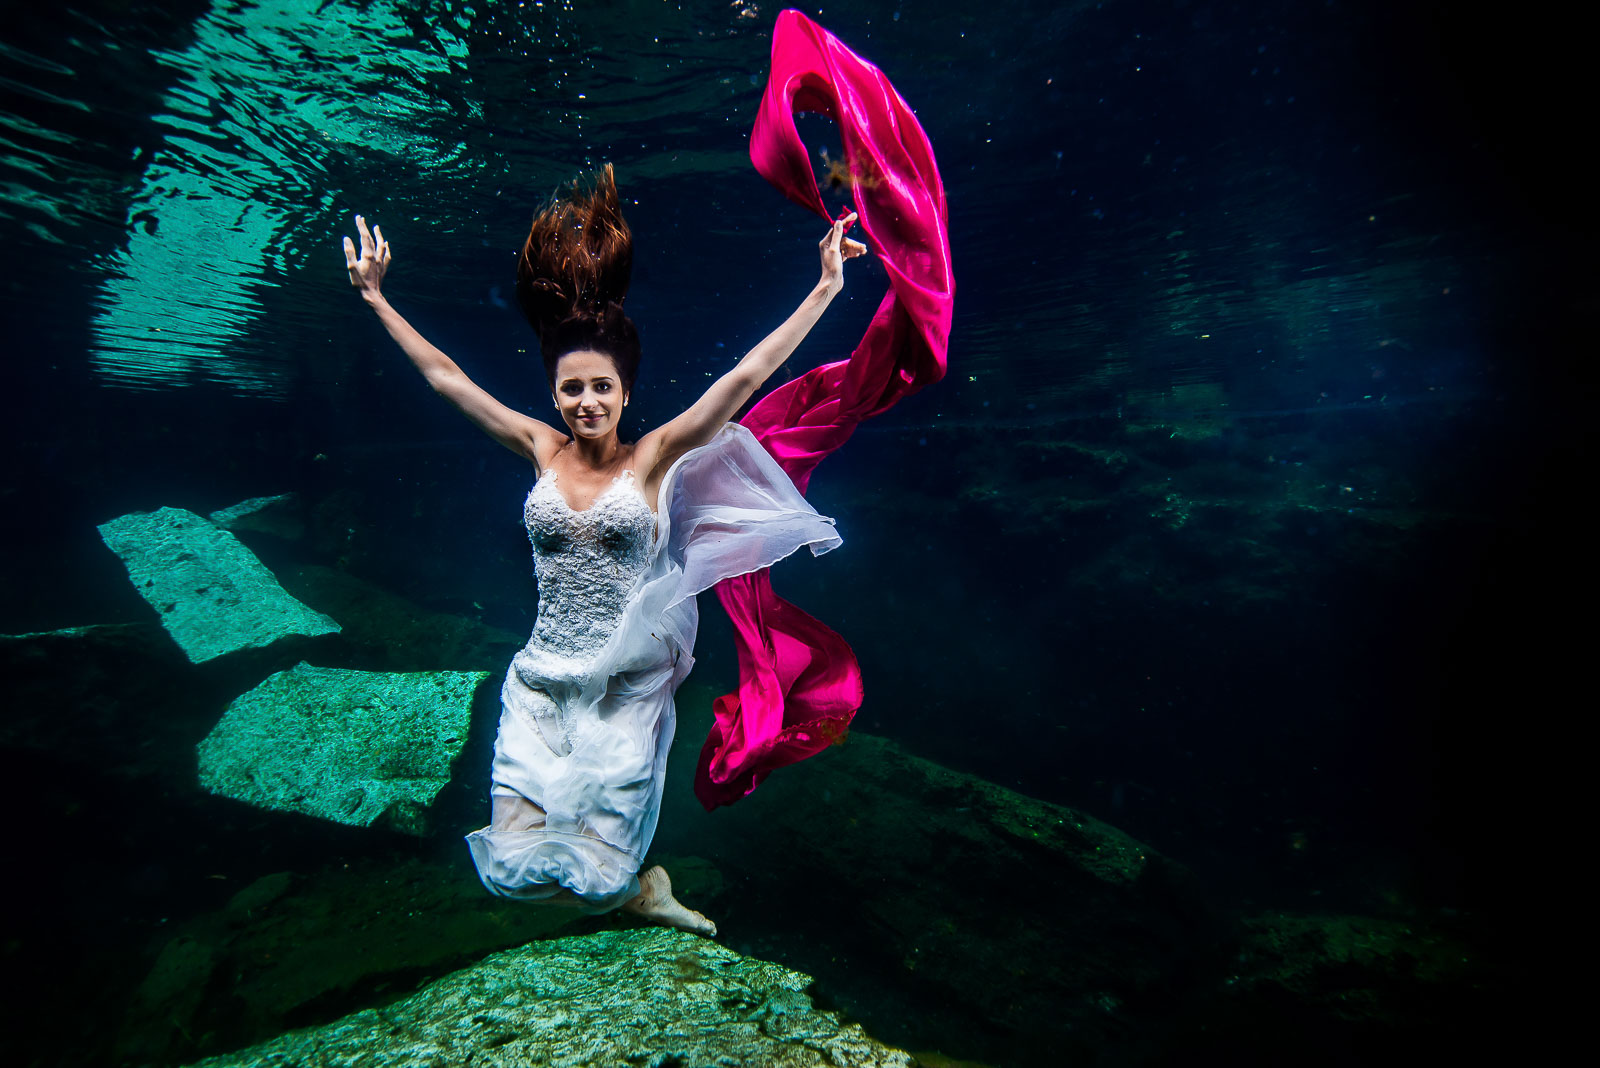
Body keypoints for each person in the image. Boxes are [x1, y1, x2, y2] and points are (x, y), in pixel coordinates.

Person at [342, 164, 865, 935]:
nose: (585, 402)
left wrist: (824, 287)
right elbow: (446, 379)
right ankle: (639, 893)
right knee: (512, 874)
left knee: (592, 881)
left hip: (625, 686)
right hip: (543, 677)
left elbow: (746, 375)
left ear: (625, 390)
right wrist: (376, 297)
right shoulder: (540, 448)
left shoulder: (651, 458)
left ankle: (640, 889)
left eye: (601, 388)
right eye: (570, 389)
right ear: (554, 394)